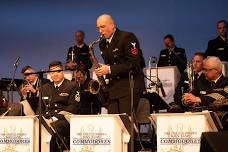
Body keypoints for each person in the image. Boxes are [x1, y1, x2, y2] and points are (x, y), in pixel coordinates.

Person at [95, 14, 146, 115]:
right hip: (113, 89)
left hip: (129, 87)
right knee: (114, 123)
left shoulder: (127, 37)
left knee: (127, 124)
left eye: (103, 27)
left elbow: (134, 64)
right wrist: (102, 70)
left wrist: (109, 69)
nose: (100, 31)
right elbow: (111, 64)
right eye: (98, 28)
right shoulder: (102, 43)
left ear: (112, 25)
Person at [42, 61, 80, 152]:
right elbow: (40, 108)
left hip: (63, 120)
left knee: (53, 128)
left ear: (62, 71)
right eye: (52, 72)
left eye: (57, 71)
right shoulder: (45, 87)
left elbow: (73, 107)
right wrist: (42, 120)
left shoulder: (72, 85)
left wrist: (54, 118)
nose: (54, 74)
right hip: (46, 119)